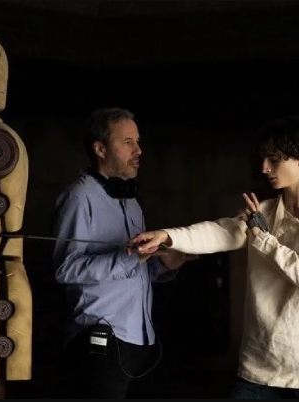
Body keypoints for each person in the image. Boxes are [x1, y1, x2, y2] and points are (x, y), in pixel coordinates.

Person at [130, 115, 299, 399]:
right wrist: (166, 235)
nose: (265, 168)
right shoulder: (262, 211)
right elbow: (221, 231)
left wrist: (263, 238)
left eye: (274, 159)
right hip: (262, 364)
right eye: (263, 158)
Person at [51, 107, 188, 399]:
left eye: (138, 142)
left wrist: (166, 265)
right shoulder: (79, 197)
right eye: (128, 142)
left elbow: (135, 268)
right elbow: (65, 269)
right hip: (99, 340)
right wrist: (129, 258)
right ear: (100, 149)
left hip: (139, 341)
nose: (138, 150)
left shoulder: (131, 201)